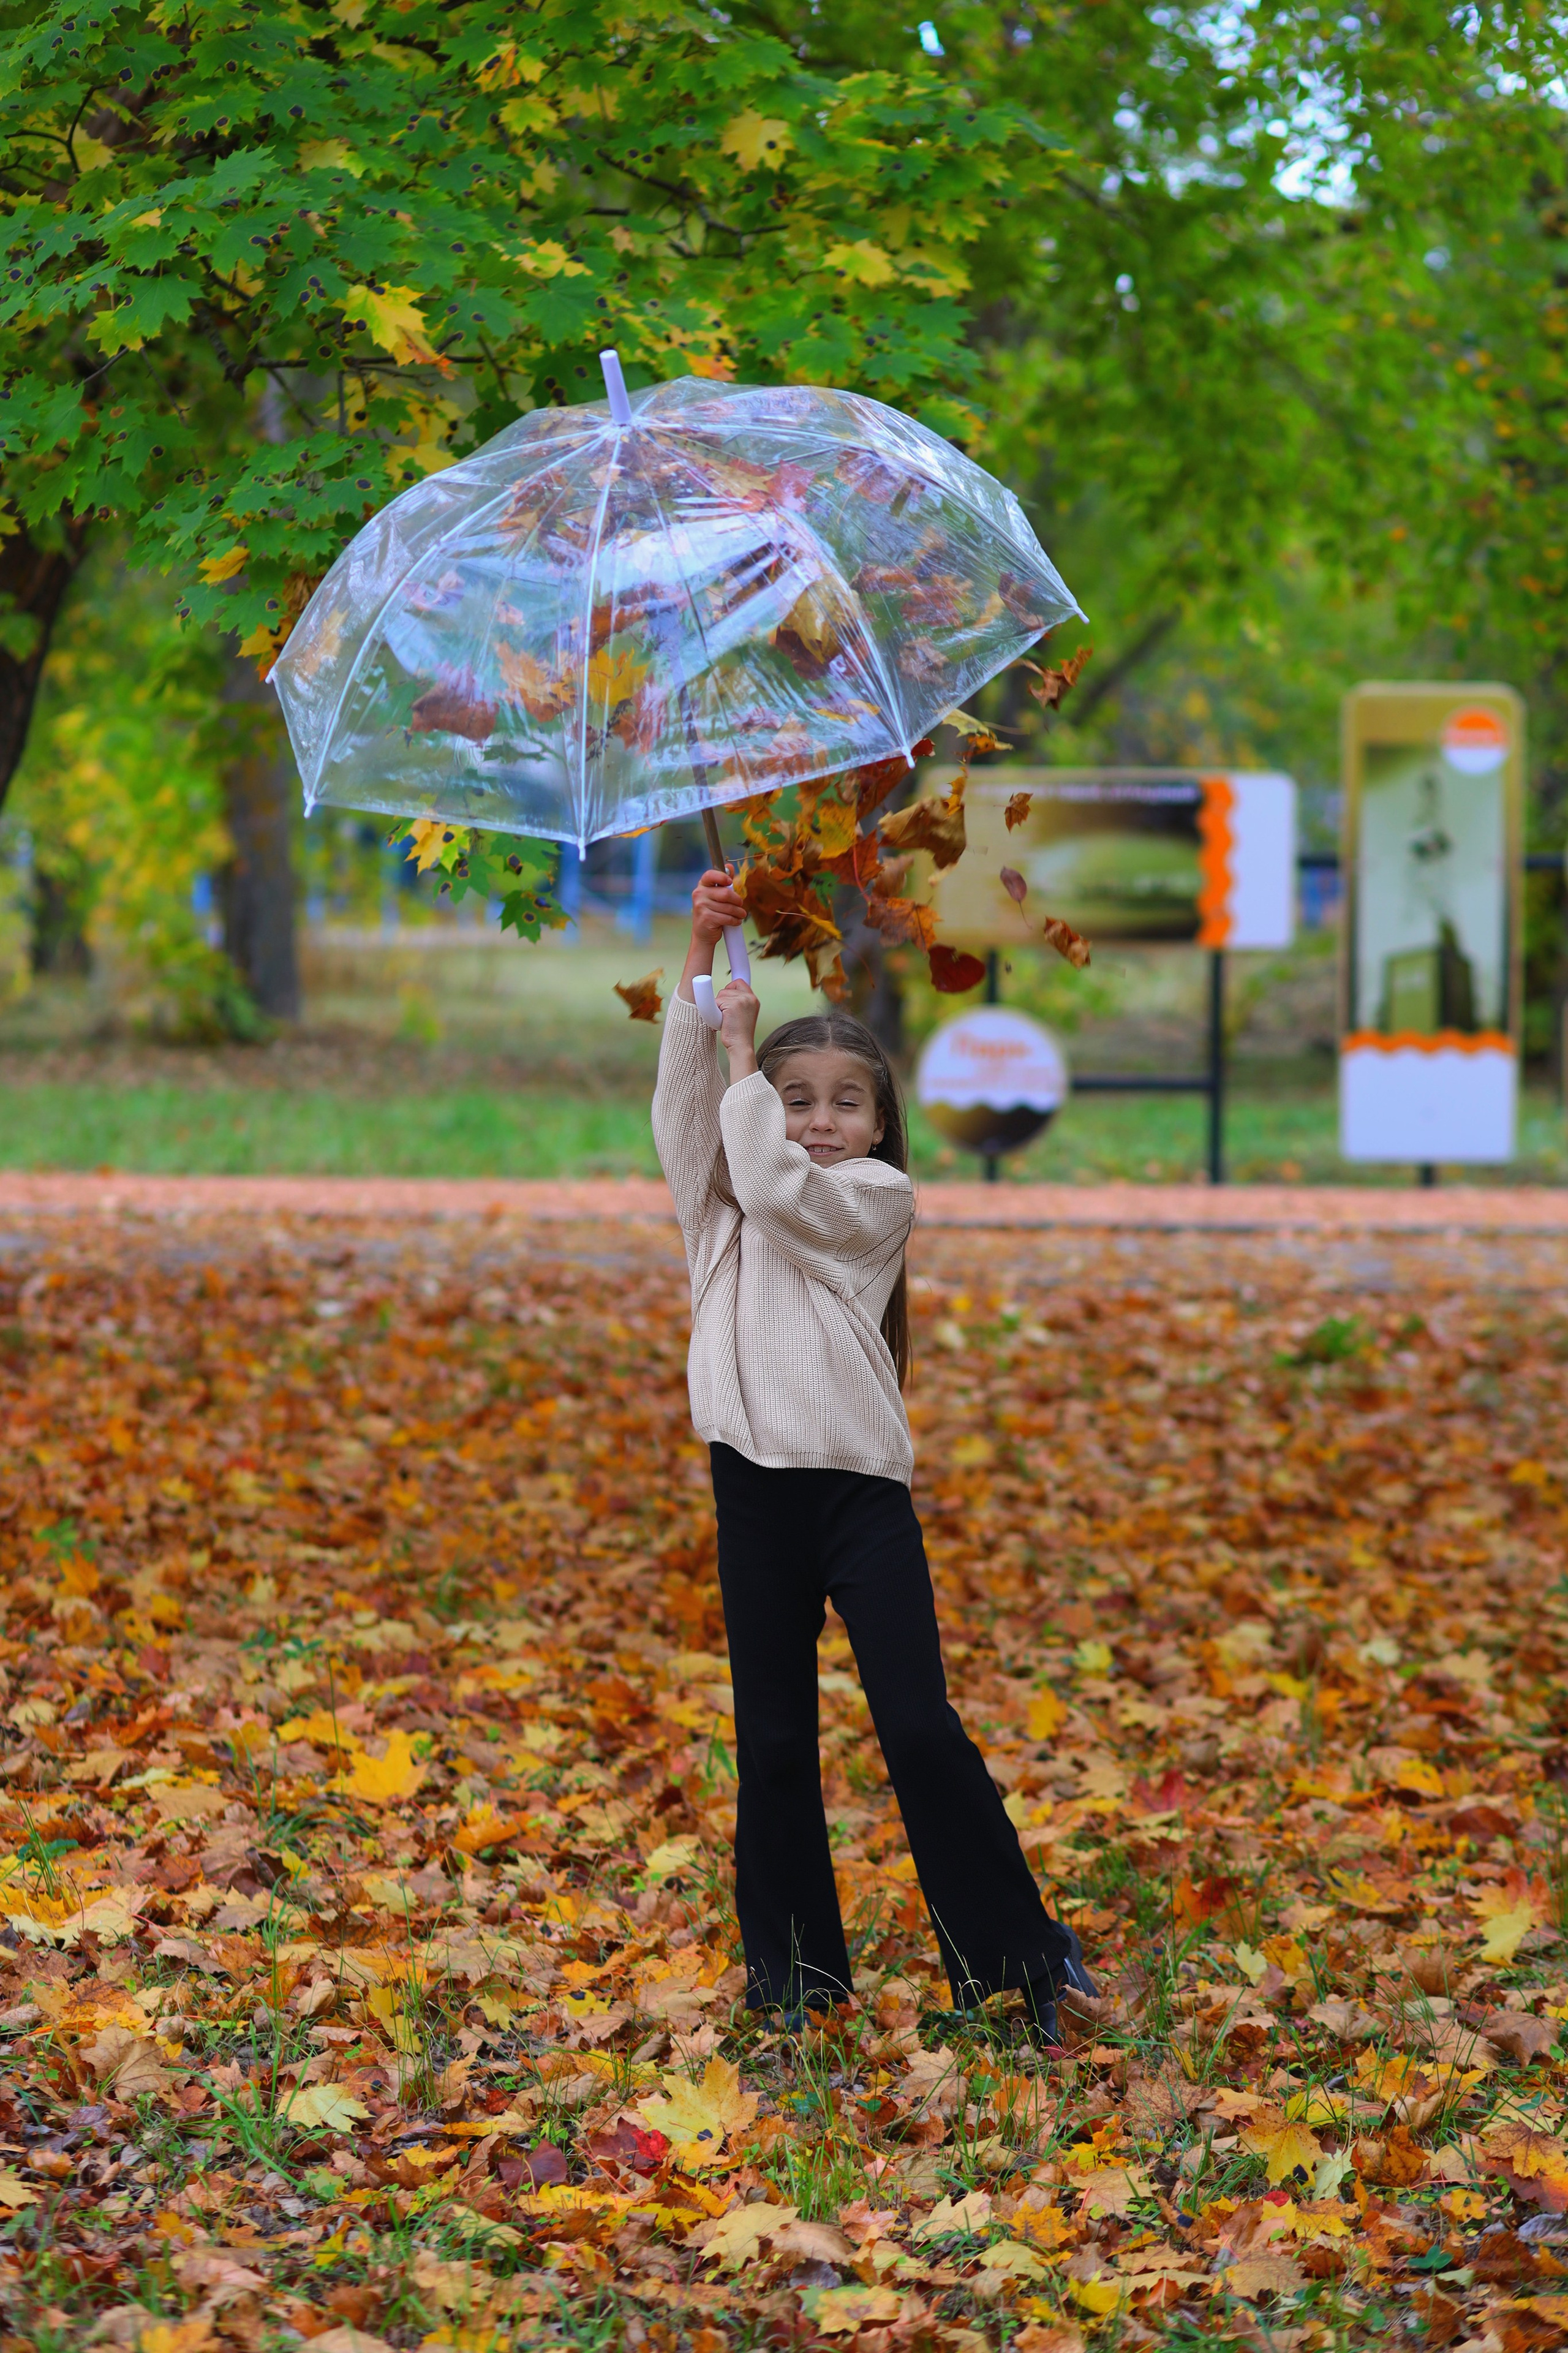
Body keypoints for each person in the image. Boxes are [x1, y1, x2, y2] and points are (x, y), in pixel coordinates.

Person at [651, 866, 1096, 2042]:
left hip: (858, 1496)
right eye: (798, 1097)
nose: (818, 1119)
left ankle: (1018, 1958)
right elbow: (692, 1123)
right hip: (753, 1492)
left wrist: (750, 1059)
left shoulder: (873, 1203)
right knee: (777, 1738)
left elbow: (775, 1175)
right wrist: (703, 961)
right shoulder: (723, 1219)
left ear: (881, 1123)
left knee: (915, 1721)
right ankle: (797, 1979)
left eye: (845, 1100)